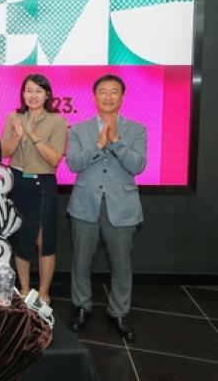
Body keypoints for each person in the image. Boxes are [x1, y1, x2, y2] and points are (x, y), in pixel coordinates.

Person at [67, 74, 146, 341]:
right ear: (94, 96)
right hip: (84, 204)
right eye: (102, 91)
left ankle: (119, 312)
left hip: (122, 207)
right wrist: (99, 144)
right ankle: (81, 306)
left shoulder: (137, 129)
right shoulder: (79, 129)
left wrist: (116, 142)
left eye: (114, 92)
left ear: (122, 97)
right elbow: (73, 163)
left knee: (121, 264)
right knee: (81, 261)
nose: (108, 97)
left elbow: (138, 165)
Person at [1, 74, 67, 306]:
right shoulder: (14, 117)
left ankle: (44, 292)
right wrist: (17, 137)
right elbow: (5, 152)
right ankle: (24, 289)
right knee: (22, 238)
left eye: (38, 91)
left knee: (43, 240)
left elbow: (54, 159)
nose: (33, 95)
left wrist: (35, 137)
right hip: (18, 182)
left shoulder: (57, 121)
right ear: (23, 93)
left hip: (44, 184)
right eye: (29, 90)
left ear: (47, 94)